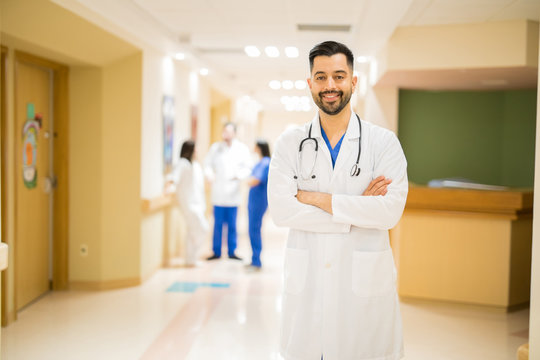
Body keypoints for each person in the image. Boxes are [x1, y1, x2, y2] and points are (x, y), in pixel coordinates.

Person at [267, 41, 408, 360]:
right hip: (308, 290)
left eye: (339, 76)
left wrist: (315, 198)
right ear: (310, 84)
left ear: (353, 82)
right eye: (321, 77)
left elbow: (388, 213)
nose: (330, 85)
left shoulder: (383, 143)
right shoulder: (290, 143)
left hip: (363, 293)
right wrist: (358, 208)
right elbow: (281, 211)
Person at [204, 122, 252, 261]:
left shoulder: (241, 149)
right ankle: (216, 251)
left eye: (229, 132)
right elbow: (207, 165)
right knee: (217, 224)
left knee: (232, 225)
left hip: (233, 193)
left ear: (234, 133)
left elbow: (248, 168)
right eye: (224, 131)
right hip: (218, 193)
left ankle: (232, 251)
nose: (226, 134)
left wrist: (239, 175)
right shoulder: (215, 148)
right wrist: (209, 175)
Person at [171, 140, 209, 267]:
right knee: (202, 229)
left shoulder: (195, 165)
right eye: (195, 149)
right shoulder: (183, 164)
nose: (197, 151)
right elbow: (174, 179)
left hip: (197, 203)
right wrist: (168, 187)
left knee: (192, 232)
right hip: (189, 205)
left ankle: (190, 259)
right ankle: (190, 258)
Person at [245, 139, 271, 272]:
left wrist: (245, 179)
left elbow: (256, 180)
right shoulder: (261, 162)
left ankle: (257, 261)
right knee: (252, 229)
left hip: (258, 201)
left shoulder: (265, 162)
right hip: (254, 200)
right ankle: (254, 259)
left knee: (254, 229)